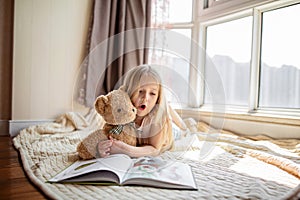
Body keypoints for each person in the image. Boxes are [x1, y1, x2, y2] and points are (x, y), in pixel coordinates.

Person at [97, 64, 187, 158]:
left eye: (152, 93)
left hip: (172, 132)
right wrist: (101, 147)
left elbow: (154, 149)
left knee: (183, 129)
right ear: (128, 91)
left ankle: (169, 109)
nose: (145, 98)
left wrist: (125, 149)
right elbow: (105, 134)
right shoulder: (122, 111)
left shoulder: (158, 119)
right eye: (140, 91)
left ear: (157, 98)